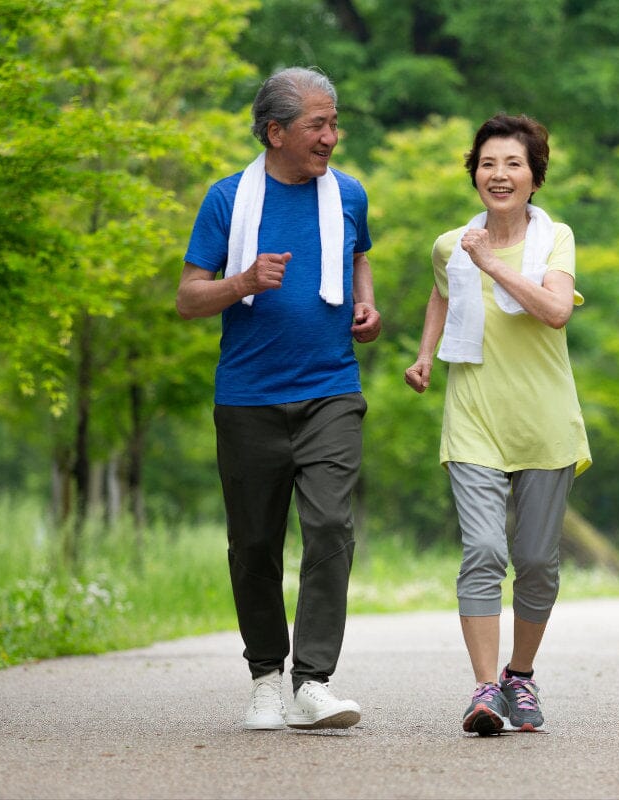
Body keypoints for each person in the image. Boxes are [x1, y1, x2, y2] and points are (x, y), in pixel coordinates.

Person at [176, 66, 381, 732]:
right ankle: (266, 676)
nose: (332, 135)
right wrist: (243, 282)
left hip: (330, 390)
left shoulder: (348, 194)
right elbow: (187, 299)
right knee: (255, 543)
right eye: (318, 125)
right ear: (276, 131)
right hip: (247, 399)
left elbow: (358, 256)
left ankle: (313, 681)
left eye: (333, 121)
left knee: (329, 527)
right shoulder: (228, 200)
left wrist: (367, 302)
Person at [404, 114, 590, 736]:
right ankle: (485, 690)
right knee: (483, 551)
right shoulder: (450, 244)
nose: (499, 175)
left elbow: (556, 310)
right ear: (474, 174)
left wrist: (491, 263)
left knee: (536, 561)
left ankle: (520, 676)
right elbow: (442, 293)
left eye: (513, 164)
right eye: (488, 164)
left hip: (545, 425)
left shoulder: (555, 238)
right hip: (474, 418)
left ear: (535, 176)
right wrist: (426, 354)